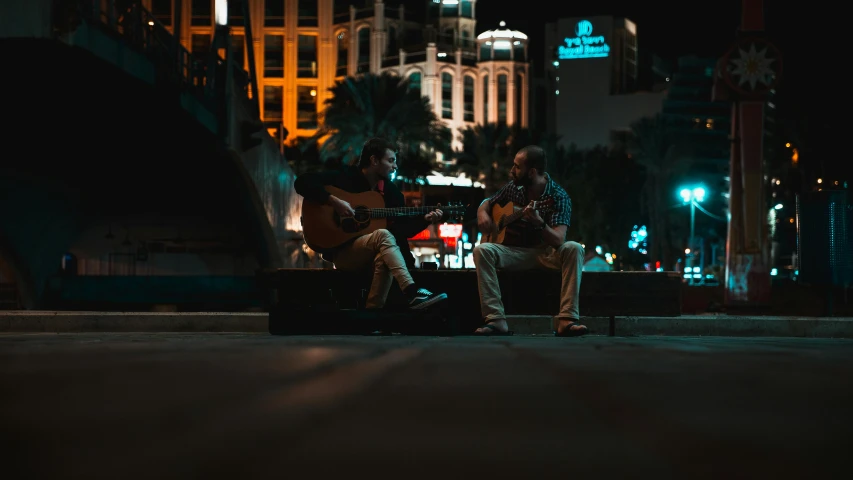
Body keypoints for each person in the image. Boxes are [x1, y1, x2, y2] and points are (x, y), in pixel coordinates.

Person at [293, 137, 448, 310]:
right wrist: (333, 201)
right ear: (374, 160)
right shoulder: (345, 177)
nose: (395, 166)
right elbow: (302, 182)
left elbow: (401, 230)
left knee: (384, 256)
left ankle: (372, 316)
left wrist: (424, 221)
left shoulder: (392, 193)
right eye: (390, 161)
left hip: (373, 253)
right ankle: (412, 292)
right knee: (383, 234)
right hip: (344, 253)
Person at [472, 145, 588, 337]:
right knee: (482, 250)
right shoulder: (515, 188)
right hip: (514, 253)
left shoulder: (558, 197)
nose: (512, 171)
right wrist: (482, 213)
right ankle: (496, 320)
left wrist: (539, 223)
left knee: (574, 248)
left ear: (532, 172)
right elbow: (489, 202)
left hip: (545, 254)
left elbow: (559, 239)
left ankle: (566, 320)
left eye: (517, 167)